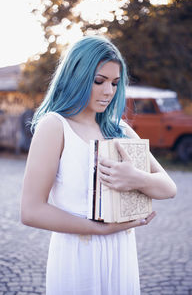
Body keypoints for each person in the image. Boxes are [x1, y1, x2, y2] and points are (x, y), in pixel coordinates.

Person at [21, 35, 177, 295]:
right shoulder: (55, 126)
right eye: (99, 81)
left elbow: (168, 188)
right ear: (76, 77)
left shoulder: (119, 128)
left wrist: (136, 179)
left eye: (115, 83)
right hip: (77, 254)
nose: (109, 91)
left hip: (121, 252)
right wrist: (101, 230)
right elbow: (31, 211)